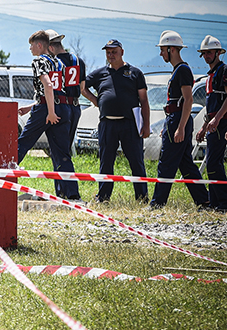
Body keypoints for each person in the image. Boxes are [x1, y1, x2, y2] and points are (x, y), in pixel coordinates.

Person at [81, 39, 150, 203]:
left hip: (130, 124)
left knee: (136, 161)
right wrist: (95, 100)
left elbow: (144, 100)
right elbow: (81, 86)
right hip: (107, 124)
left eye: (114, 52)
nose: (111, 55)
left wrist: (146, 125)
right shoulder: (100, 73)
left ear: (122, 52)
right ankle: (103, 197)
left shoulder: (135, 73)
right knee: (106, 161)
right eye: (108, 52)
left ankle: (142, 198)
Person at [17, 29, 80, 200]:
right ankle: (71, 195)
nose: (30, 49)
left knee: (22, 143)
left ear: (39, 45)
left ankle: (3, 179)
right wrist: (32, 106)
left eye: (31, 45)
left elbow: (48, 85)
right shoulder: (58, 62)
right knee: (62, 153)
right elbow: (58, 89)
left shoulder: (39, 61)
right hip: (63, 107)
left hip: (47, 109)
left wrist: (50, 112)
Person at [150, 30, 209, 209]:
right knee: (186, 164)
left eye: (163, 49)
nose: (161, 54)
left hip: (178, 119)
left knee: (166, 161)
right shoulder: (178, 70)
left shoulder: (182, 70)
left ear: (172, 49)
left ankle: (157, 203)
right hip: (174, 119)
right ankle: (204, 200)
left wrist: (180, 127)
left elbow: (188, 100)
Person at [48, 29, 86, 193]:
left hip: (59, 107)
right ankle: (61, 190)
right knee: (64, 149)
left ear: (50, 47)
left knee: (59, 151)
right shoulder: (78, 61)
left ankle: (69, 192)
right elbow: (82, 88)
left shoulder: (51, 62)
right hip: (75, 107)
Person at [195, 35, 227, 211]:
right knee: (212, 163)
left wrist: (218, 118)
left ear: (218, 53)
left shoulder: (224, 70)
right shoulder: (210, 75)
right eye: (204, 53)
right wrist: (204, 127)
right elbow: (211, 106)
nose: (207, 56)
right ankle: (215, 202)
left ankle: (223, 202)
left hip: (222, 123)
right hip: (213, 123)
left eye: (209, 53)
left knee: (214, 162)